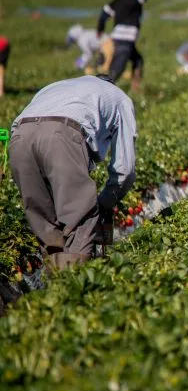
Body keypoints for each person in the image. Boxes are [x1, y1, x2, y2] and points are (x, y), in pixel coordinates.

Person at [9, 74, 137, 271]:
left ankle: (56, 286)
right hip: (62, 135)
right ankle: (76, 288)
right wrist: (106, 201)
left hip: (19, 137)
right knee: (80, 218)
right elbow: (125, 169)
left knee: (44, 221)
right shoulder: (119, 97)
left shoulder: (55, 85)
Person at [97, 0, 150, 88]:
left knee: (138, 60)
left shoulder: (118, 0)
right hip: (125, 39)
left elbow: (103, 15)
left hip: (117, 37)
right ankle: (101, 89)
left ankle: (136, 87)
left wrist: (100, 29)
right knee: (116, 71)